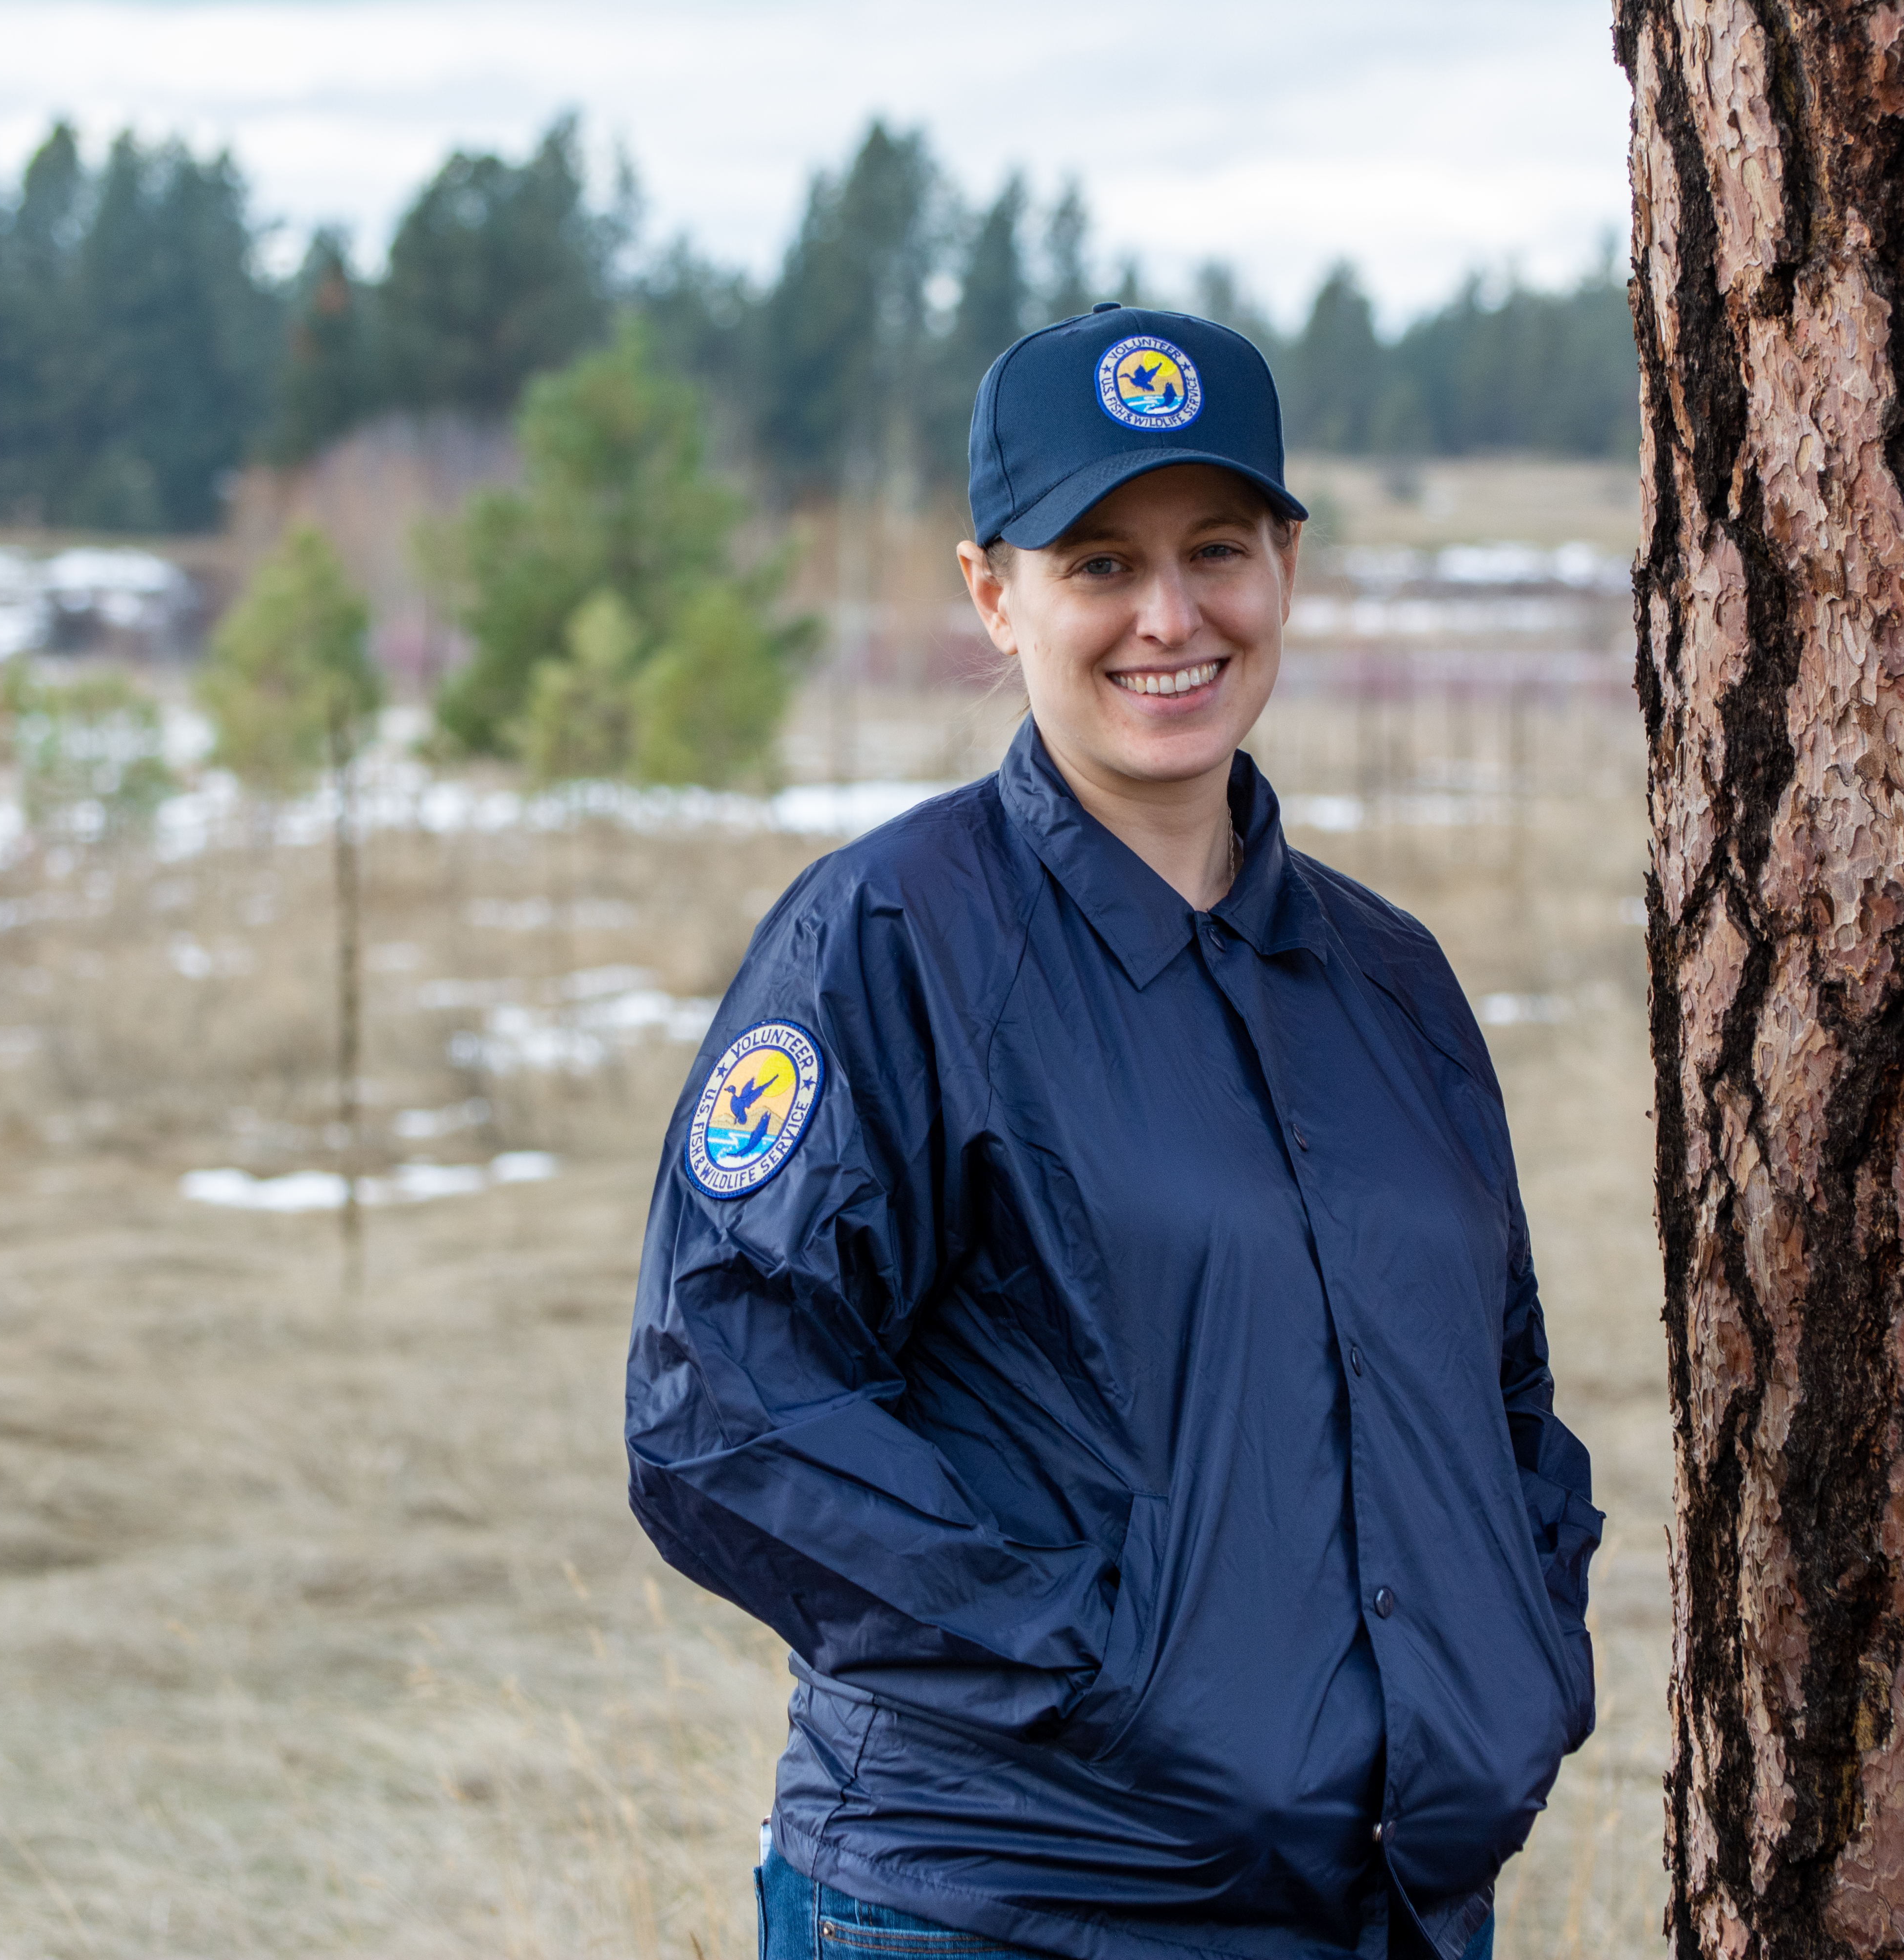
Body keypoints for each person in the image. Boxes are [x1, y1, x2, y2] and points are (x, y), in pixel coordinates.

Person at [623, 304, 1600, 1960]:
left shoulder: (1389, 982)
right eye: (1096, 562)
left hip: (1383, 1913)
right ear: (994, 595)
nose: (1170, 615)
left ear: (1287, 563)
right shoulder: (890, 942)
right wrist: (1110, 1670)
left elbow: (1498, 1399)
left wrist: (1512, 1667)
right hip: (1006, 1907)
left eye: (1217, 548)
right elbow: (725, 1412)